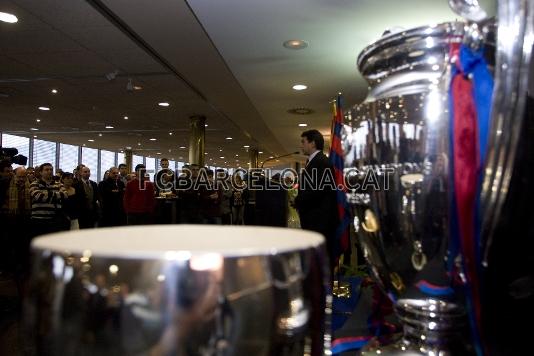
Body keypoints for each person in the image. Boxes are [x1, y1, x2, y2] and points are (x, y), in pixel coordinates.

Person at [294, 129, 338, 275]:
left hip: (321, 221)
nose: (301, 145)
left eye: (303, 142)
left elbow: (318, 190)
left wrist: (298, 200)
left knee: (323, 261)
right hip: (315, 218)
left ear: (312, 143)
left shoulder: (321, 162)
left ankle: (325, 292)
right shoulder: (312, 161)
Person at [29, 163, 69, 236]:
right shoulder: (34, 184)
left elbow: (65, 195)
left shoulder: (59, 184)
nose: (49, 171)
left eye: (51, 170)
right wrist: (56, 195)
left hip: (54, 220)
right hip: (38, 220)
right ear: (41, 172)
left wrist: (46, 194)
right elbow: (38, 197)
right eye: (46, 170)